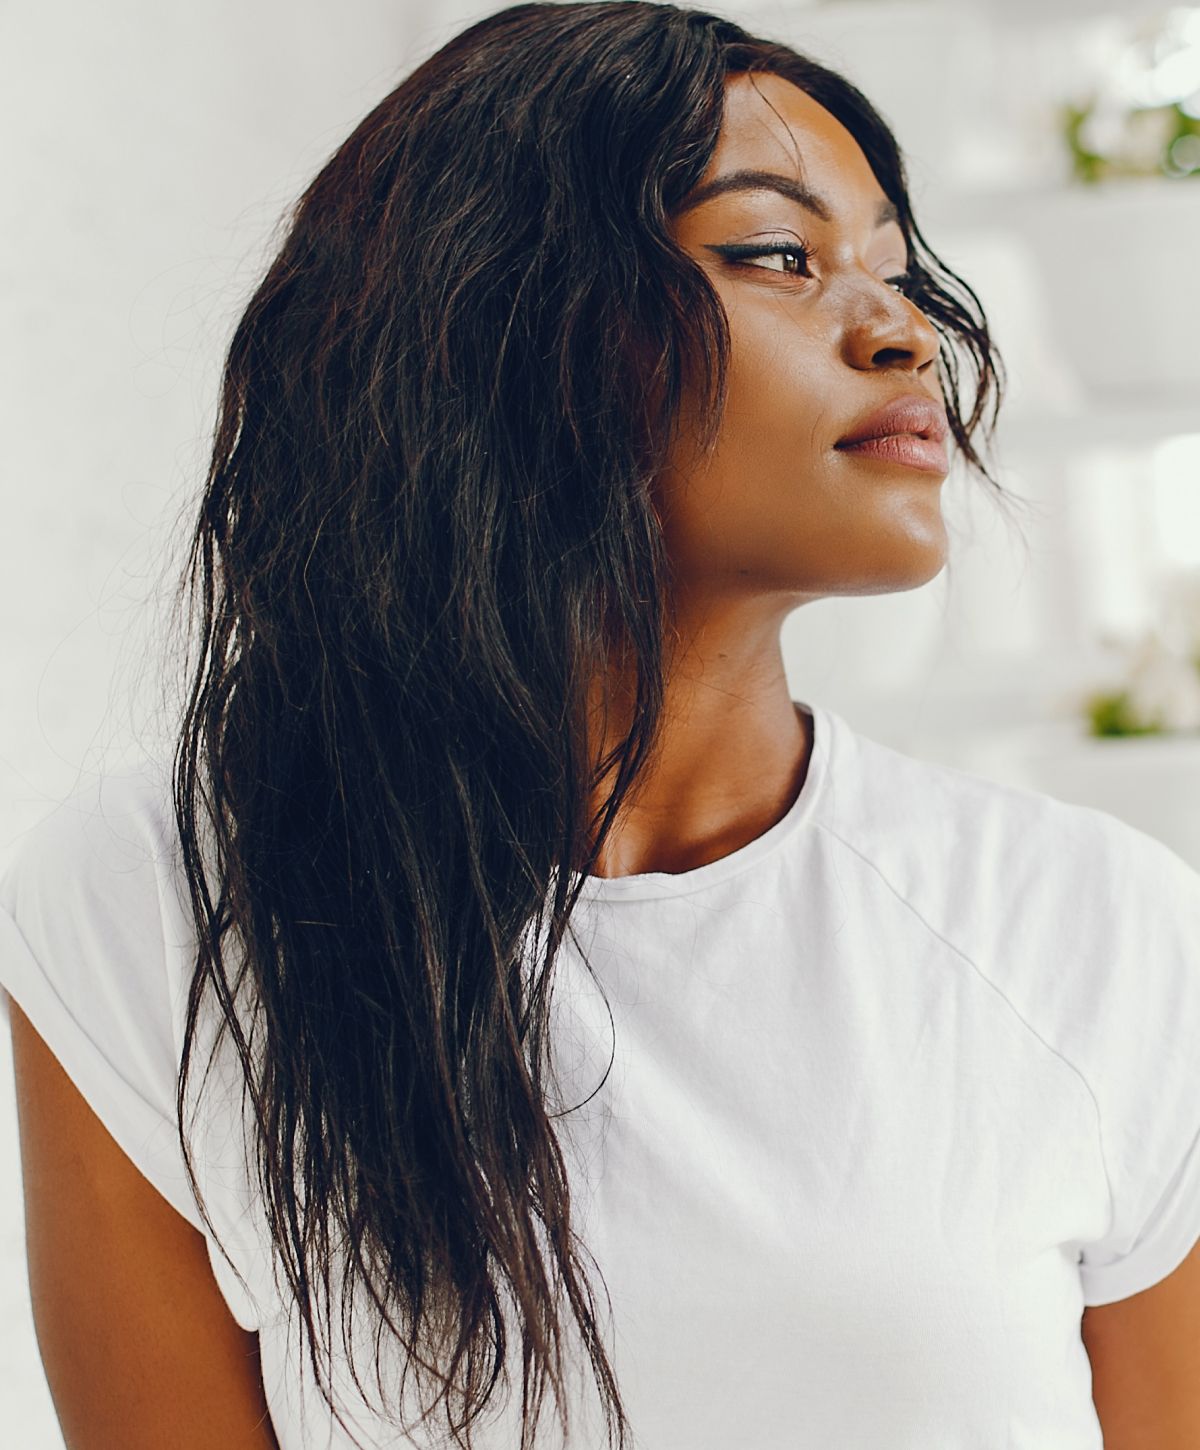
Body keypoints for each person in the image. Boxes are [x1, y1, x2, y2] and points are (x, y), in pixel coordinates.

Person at [4, 3, 1200, 1447]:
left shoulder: (1098, 930)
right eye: (780, 255)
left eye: (896, 267)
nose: (901, 330)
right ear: (506, 318)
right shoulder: (162, 903)